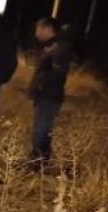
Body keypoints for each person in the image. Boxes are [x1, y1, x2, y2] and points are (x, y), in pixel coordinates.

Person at [29, 17, 72, 163]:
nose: (36, 33)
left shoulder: (58, 48)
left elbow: (58, 72)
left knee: (42, 130)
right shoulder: (51, 47)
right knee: (41, 129)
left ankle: (39, 161)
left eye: (38, 29)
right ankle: (39, 159)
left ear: (47, 29)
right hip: (45, 94)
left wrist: (41, 85)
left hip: (49, 95)